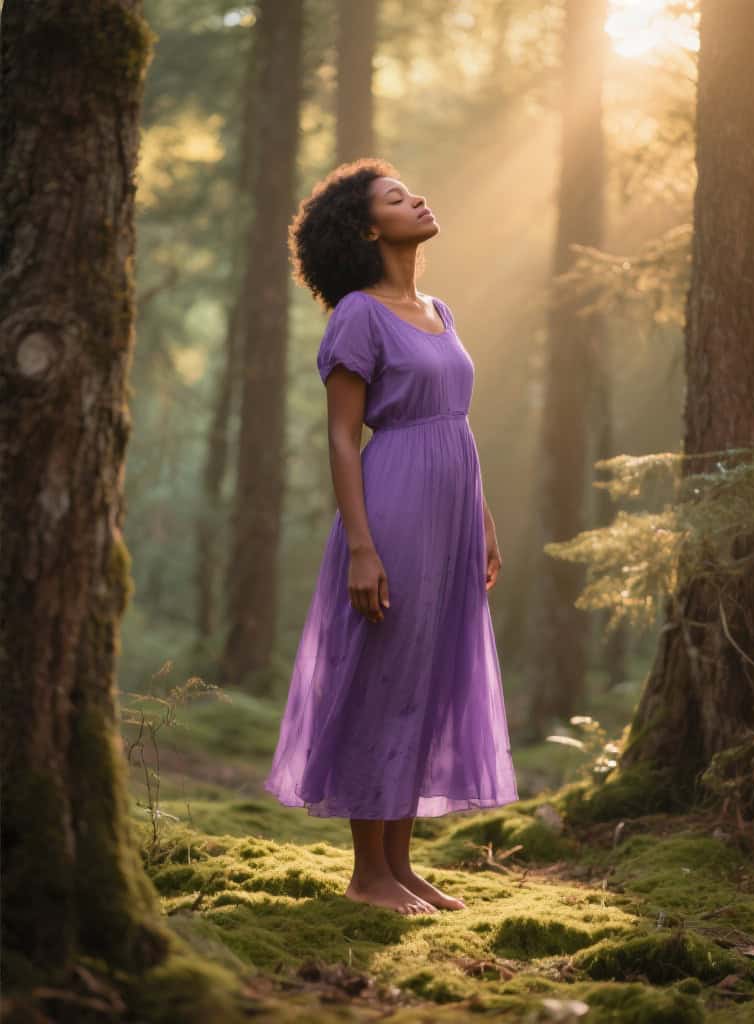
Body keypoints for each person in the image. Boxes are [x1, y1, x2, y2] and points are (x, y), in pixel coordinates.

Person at [264, 158, 519, 916]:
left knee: (429, 677)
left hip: (453, 509)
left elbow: (458, 423)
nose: (419, 197)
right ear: (370, 228)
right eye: (397, 196)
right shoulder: (358, 314)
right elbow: (344, 438)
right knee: (382, 673)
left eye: (413, 189)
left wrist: (484, 521)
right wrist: (363, 546)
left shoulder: (440, 310)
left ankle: (401, 869)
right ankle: (366, 872)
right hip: (394, 502)